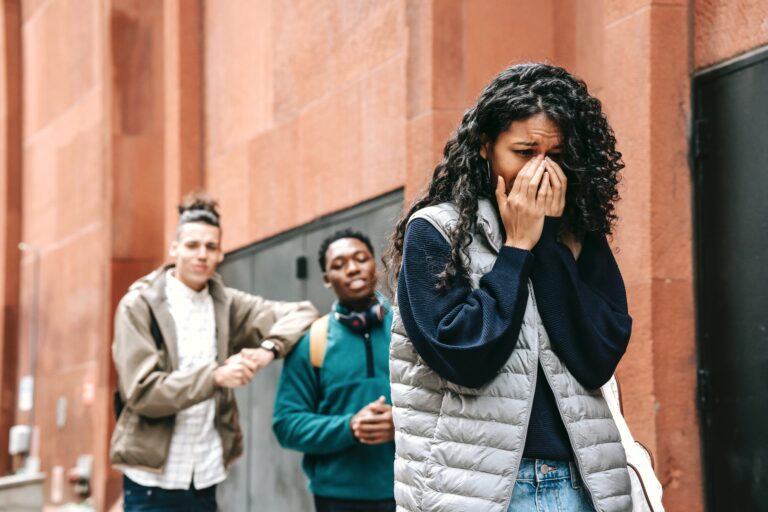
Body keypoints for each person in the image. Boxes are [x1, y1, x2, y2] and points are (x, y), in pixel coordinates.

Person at [385, 63, 634, 512]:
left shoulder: (578, 235)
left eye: (556, 156)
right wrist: (517, 249)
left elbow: (596, 359)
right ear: (485, 147)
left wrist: (551, 244)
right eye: (524, 152)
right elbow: (464, 357)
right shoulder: (437, 230)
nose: (540, 171)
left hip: (581, 482)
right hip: (477, 490)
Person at [110, 193, 318, 512]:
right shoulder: (139, 306)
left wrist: (266, 350)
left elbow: (303, 312)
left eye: (210, 247)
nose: (201, 255)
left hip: (206, 476)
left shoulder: (226, 303)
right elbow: (142, 393)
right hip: (153, 483)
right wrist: (217, 376)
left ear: (220, 252)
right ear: (174, 248)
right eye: (192, 245)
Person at [273, 229, 396, 512]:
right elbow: (286, 424)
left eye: (360, 259)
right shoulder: (312, 342)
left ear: (374, 265)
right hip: (337, 499)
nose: (352, 268)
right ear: (327, 279)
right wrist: (349, 427)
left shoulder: (407, 329)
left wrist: (401, 423)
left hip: (408, 488)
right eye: (339, 265)